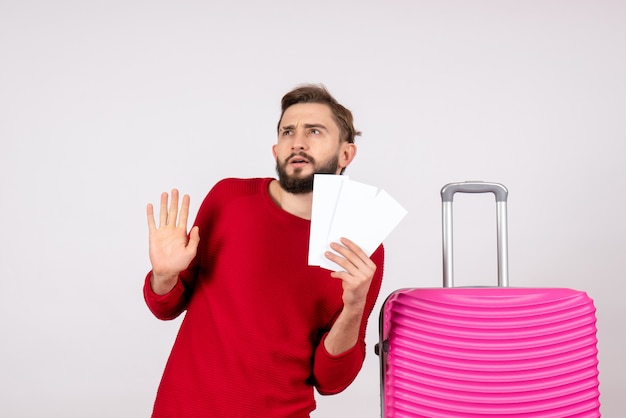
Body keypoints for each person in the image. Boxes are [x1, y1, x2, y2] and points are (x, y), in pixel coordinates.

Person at [143, 84, 385, 417]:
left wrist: (354, 306)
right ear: (276, 149)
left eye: (314, 131)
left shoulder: (362, 244)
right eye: (288, 131)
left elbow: (331, 381)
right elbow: (166, 306)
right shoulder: (229, 198)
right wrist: (164, 274)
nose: (297, 141)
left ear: (346, 154)